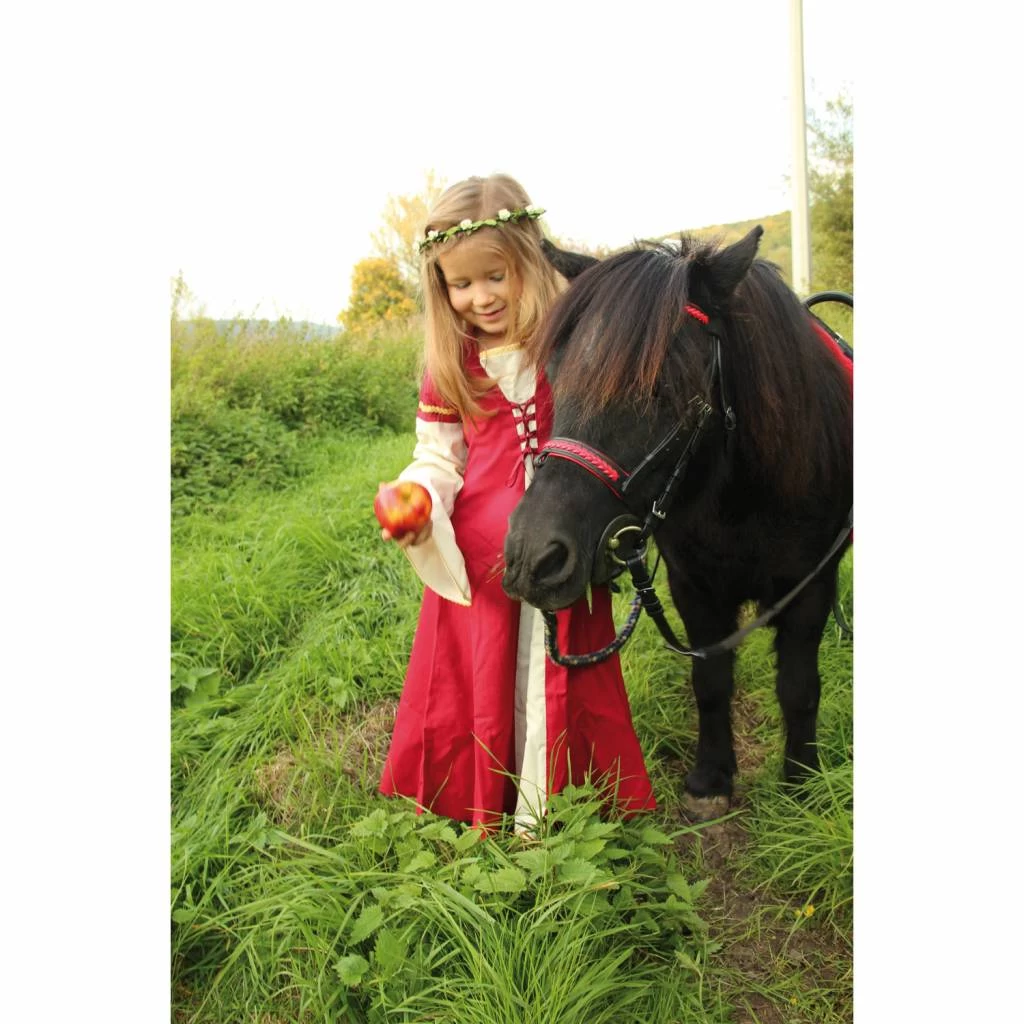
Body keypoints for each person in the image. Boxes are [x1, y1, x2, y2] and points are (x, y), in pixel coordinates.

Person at [377, 173, 655, 831]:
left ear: (528, 260)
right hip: (484, 558)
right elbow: (439, 457)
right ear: (441, 287)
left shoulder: (569, 344)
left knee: (560, 677)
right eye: (461, 283)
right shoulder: (455, 362)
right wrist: (418, 497)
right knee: (488, 681)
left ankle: (560, 805)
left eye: (494, 275)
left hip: (566, 540)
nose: (480, 297)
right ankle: (491, 800)